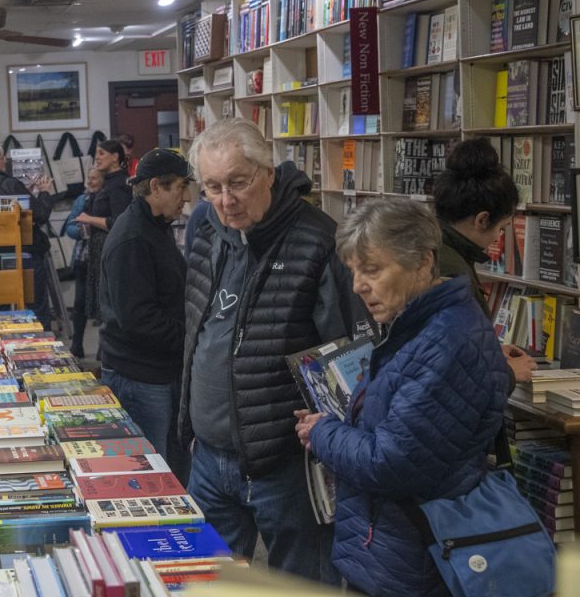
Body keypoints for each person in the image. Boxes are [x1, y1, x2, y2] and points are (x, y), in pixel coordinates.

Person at [179, 118, 372, 584]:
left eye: (238, 183)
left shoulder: (318, 239)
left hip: (284, 467)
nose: (226, 200)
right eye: (213, 187)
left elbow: (348, 357)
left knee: (299, 583)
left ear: (268, 172)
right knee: (201, 583)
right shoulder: (207, 232)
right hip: (208, 458)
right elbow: (199, 335)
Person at [296, 199, 508, 596]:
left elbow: (390, 463)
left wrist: (324, 433)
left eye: (372, 270)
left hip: (414, 560)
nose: (359, 285)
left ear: (424, 262)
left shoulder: (446, 342)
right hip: (391, 549)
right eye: (355, 271)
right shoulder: (413, 326)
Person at [98, 149, 190, 471]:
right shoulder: (133, 238)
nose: (187, 196)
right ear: (156, 187)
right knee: (153, 475)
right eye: (180, 186)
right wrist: (191, 337)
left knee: (169, 467)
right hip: (140, 378)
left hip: (156, 373)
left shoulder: (154, 228)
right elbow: (138, 320)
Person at [433, 138, 536, 386]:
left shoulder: (432, 249)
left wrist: (489, 350)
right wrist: (507, 373)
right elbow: (452, 372)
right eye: (501, 228)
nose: (498, 237)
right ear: (482, 220)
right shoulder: (453, 273)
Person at [0, 143, 54, 329]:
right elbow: (40, 214)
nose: (5, 161)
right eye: (2, 158)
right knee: (36, 305)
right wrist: (45, 193)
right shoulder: (9, 184)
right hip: (24, 253)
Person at [75, 140, 132, 320]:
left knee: (110, 306)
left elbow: (119, 222)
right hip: (100, 247)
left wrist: (89, 219)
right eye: (96, 154)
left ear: (115, 157)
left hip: (110, 249)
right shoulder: (108, 182)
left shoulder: (119, 185)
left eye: (101, 154)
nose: (97, 158)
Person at [63, 166, 104, 358]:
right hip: (82, 259)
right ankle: (76, 345)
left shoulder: (108, 199)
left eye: (94, 178)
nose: (90, 181)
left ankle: (101, 352)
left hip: (102, 260)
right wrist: (81, 231)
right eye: (89, 178)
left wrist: (93, 224)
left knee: (102, 306)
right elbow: (70, 227)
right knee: (79, 304)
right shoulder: (82, 199)